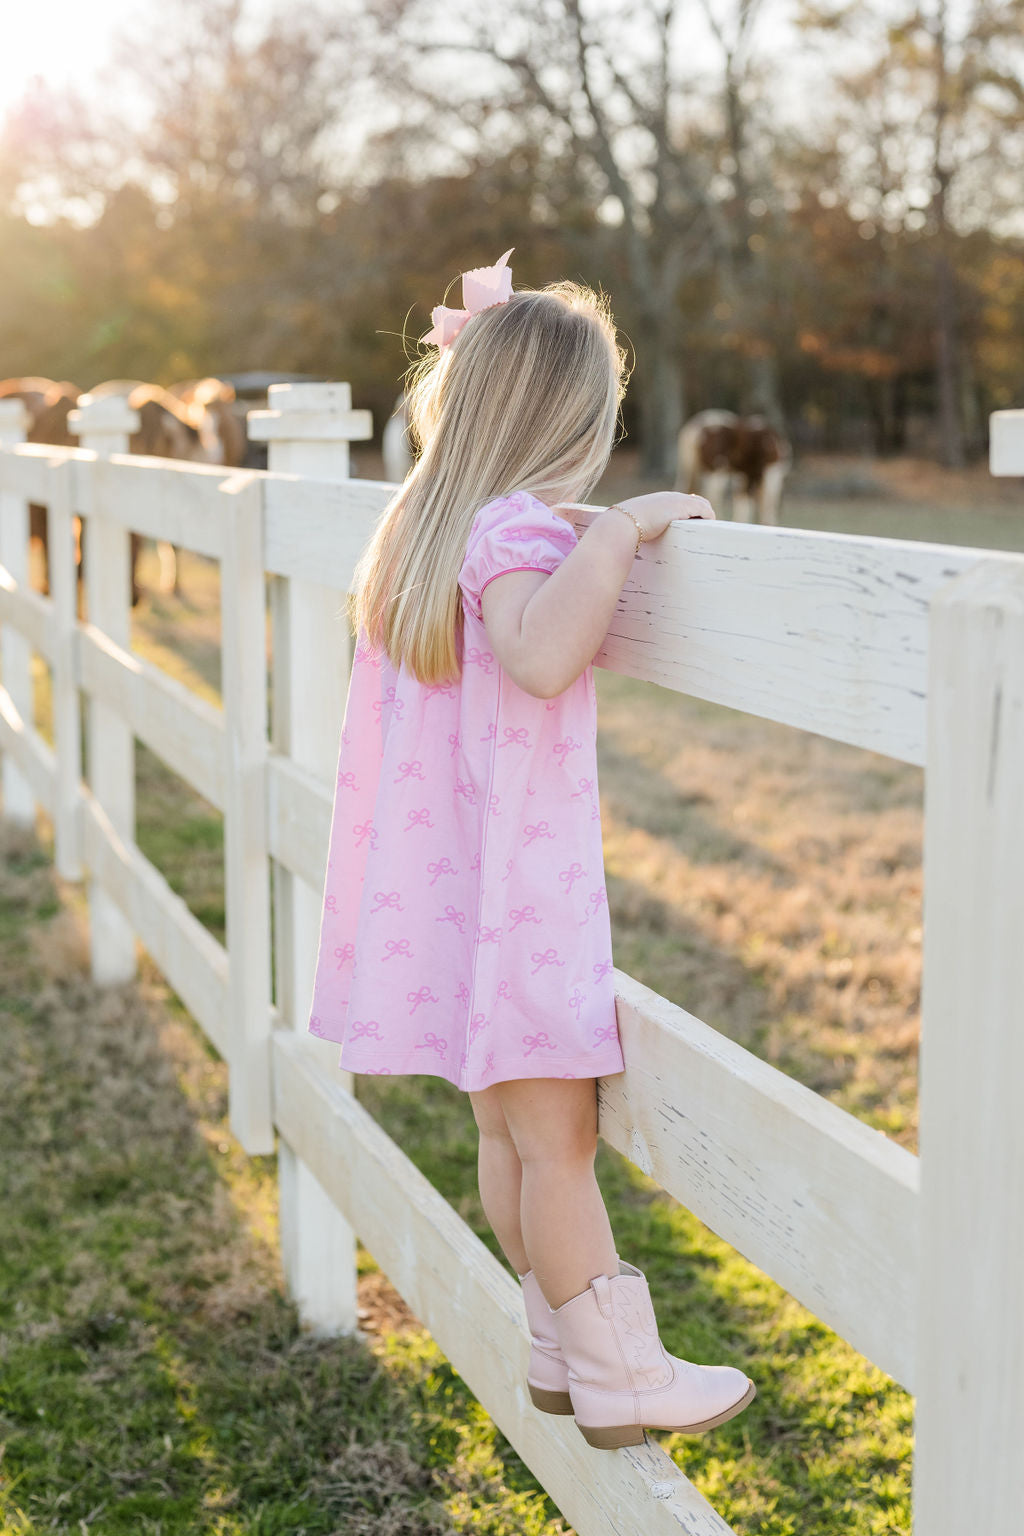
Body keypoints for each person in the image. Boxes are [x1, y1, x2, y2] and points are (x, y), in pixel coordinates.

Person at [306, 247, 757, 1449]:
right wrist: (616, 535)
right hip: (517, 898)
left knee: (508, 1137)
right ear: (570, 421)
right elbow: (544, 655)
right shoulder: (514, 531)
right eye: (605, 423)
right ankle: (623, 1373)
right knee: (556, 1147)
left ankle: (559, 1345)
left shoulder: (425, 524)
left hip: (452, 898)